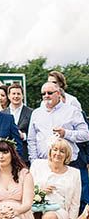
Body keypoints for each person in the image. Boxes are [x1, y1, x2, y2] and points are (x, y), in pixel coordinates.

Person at [27, 80, 89, 209]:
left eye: (50, 92)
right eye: (43, 93)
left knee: (76, 200)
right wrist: (34, 161)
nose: (46, 96)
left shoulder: (72, 111)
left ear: (58, 94)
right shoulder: (36, 113)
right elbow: (31, 140)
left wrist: (65, 133)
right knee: (45, 203)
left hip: (70, 164)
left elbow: (85, 134)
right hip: (45, 165)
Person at [30, 138, 80, 219]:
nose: (58, 153)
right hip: (35, 207)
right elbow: (27, 189)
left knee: (49, 218)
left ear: (67, 155)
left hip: (59, 209)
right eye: (55, 149)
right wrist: (40, 191)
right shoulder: (37, 165)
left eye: (62, 151)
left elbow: (75, 202)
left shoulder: (75, 173)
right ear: (50, 151)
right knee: (23, 217)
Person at [2, 83, 32, 153]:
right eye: (13, 94)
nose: (16, 96)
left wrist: (24, 136)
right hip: (7, 153)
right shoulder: (1, 113)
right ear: (9, 96)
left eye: (18, 94)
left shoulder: (31, 112)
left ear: (22, 96)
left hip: (25, 154)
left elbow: (34, 133)